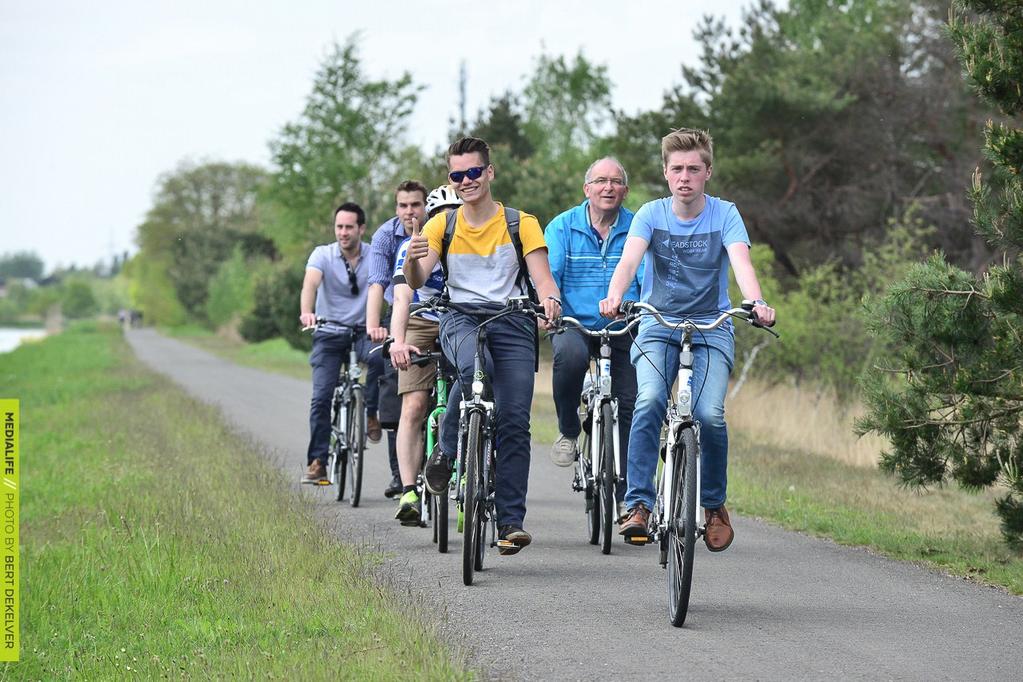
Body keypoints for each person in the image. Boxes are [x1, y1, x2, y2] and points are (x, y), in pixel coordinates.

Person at [599, 129, 776, 552]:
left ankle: (713, 505)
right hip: (657, 324)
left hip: (711, 326)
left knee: (710, 415)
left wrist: (756, 301)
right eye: (676, 169)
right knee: (648, 401)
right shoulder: (650, 214)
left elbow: (741, 262)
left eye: (693, 169)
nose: (684, 177)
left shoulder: (725, 214)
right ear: (665, 172)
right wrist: (615, 295)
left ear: (707, 173)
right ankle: (638, 504)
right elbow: (629, 261)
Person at [403, 136, 562, 554]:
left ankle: (511, 522)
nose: (467, 181)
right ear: (451, 180)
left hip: (512, 322)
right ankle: (447, 452)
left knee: (513, 422)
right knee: (476, 369)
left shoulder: (519, 223)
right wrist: (410, 259)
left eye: (474, 172)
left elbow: (542, 277)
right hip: (459, 318)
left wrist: (550, 300)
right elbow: (417, 279)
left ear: (489, 172)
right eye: (458, 175)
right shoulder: (443, 224)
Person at [544, 157, 641, 518]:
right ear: (587, 189)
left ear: (625, 191)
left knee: (631, 402)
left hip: (625, 324)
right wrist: (550, 304)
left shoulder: (637, 227)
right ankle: (569, 428)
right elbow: (550, 273)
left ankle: (629, 499)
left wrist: (634, 306)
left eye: (616, 182)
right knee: (568, 358)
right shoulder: (562, 227)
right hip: (574, 321)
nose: (608, 187)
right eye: (600, 181)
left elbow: (645, 274)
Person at [389, 185, 462, 524]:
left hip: (461, 321)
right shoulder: (412, 246)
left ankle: (473, 474)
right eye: (439, 215)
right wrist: (397, 341)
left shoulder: (470, 244)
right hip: (421, 320)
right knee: (415, 405)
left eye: (453, 212)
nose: (446, 220)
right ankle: (408, 490)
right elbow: (403, 298)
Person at [299, 202, 385, 484]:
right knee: (321, 396)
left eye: (349, 227)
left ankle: (371, 413)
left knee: (376, 359)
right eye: (339, 227)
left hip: (365, 330)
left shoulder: (375, 254)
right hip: (329, 331)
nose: (343, 232)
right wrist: (307, 312)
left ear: (361, 228)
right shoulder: (323, 255)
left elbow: (387, 288)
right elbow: (310, 284)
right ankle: (318, 461)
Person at [366, 180, 430, 497]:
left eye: (415, 205)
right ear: (396, 208)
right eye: (403, 205)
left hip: (442, 314)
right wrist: (375, 326)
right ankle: (399, 476)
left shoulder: (442, 229)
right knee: (397, 388)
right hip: (403, 312)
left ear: (425, 206)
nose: (409, 211)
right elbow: (378, 283)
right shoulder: (385, 236)